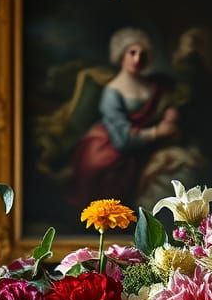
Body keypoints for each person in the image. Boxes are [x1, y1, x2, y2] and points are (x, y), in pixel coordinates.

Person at [67, 27, 179, 207]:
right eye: (132, 52)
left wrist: (170, 112)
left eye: (143, 54)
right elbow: (122, 139)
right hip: (109, 146)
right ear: (121, 55)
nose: (137, 59)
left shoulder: (154, 85)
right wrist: (158, 132)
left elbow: (167, 102)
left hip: (143, 144)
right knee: (99, 171)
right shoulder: (112, 92)